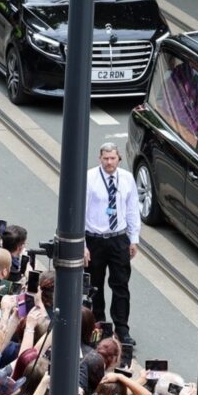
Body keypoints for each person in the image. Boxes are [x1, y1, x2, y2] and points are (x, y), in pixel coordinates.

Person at [84, 141, 140, 346]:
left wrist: (134, 238)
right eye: (105, 158)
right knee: (94, 285)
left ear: (119, 159)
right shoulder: (89, 178)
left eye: (112, 158)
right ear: (100, 159)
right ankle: (98, 324)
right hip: (95, 239)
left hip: (118, 238)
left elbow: (132, 208)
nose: (109, 162)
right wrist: (82, 245)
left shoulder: (126, 178)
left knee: (121, 285)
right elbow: (81, 211)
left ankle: (122, 328)